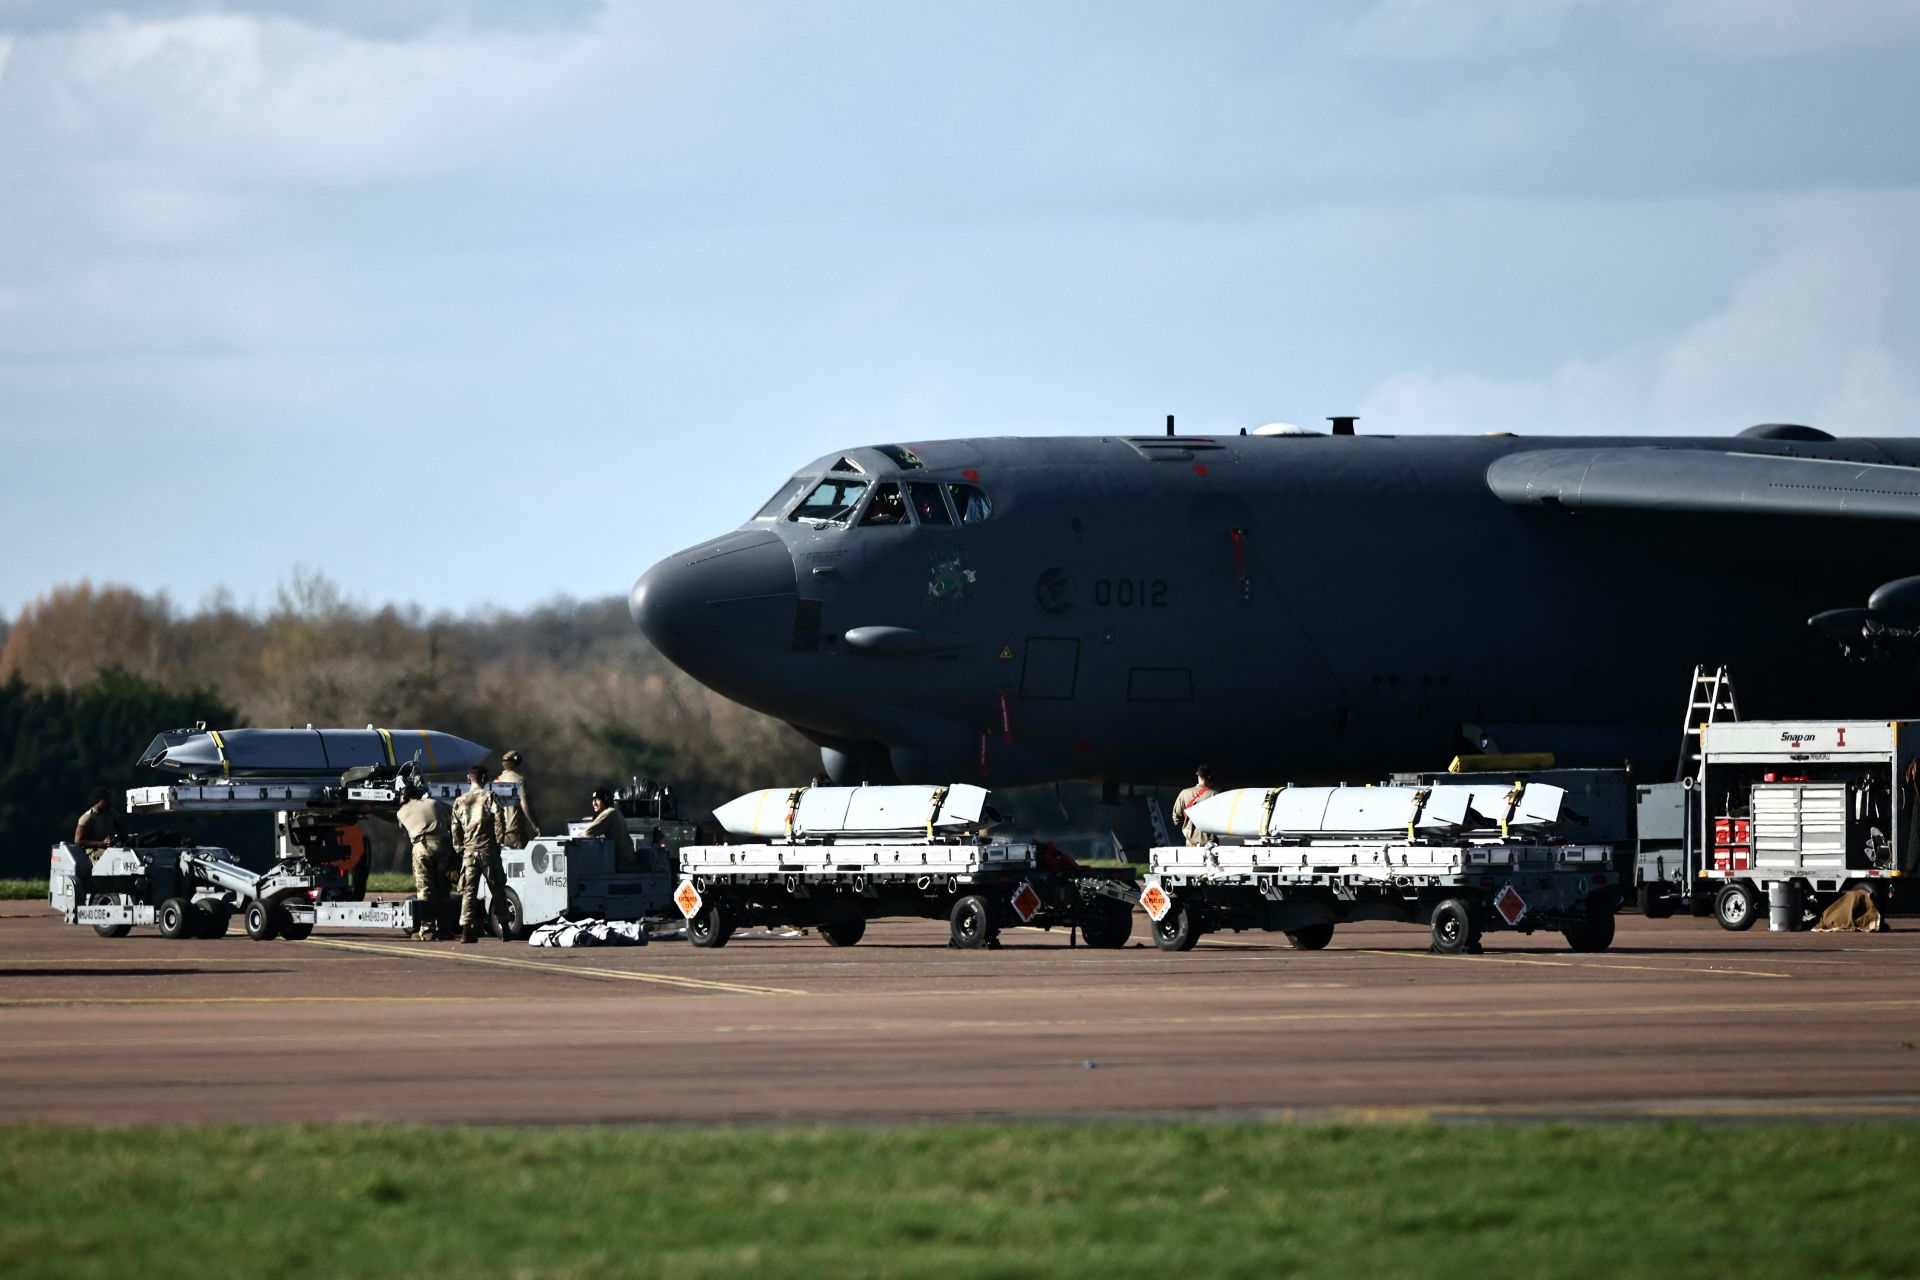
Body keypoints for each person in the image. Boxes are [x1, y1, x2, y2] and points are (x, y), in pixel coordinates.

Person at [451, 766, 507, 944]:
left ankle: (466, 930)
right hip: (488, 850)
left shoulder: (460, 801)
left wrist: (460, 847)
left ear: (469, 779)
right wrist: (499, 841)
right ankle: (505, 928)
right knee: (497, 889)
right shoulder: (489, 797)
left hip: (469, 853)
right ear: (484, 778)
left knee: (468, 892)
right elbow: (499, 818)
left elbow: (455, 828)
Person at [395, 779, 454, 940]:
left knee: (425, 890)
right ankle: (445, 930)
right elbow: (453, 813)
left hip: (422, 847)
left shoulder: (402, 811)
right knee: (443, 889)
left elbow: (400, 821)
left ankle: (427, 931)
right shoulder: (435, 803)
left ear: (405, 797)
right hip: (443, 846)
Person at [580, 786, 639, 872]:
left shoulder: (608, 813)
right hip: (628, 861)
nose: (594, 803)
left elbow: (587, 834)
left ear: (606, 800)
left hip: (621, 865)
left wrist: (575, 837)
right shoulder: (615, 812)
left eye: (597, 799)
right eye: (593, 800)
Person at [497, 750, 542, 849]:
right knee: (520, 862)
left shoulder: (496, 782)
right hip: (515, 832)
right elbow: (525, 806)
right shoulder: (519, 780)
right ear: (517, 764)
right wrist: (536, 826)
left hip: (500, 833)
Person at [1171, 765, 1215, 847]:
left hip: (1190, 844)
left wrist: (1187, 827)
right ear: (1210, 777)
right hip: (1210, 845)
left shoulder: (1184, 793)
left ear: (1198, 776)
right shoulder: (1214, 795)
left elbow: (1176, 818)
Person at [73, 789, 119, 864]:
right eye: (106, 799)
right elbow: (78, 841)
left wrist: (115, 841)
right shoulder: (87, 817)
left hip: (111, 847)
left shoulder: (112, 814)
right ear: (98, 800)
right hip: (93, 851)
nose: (109, 802)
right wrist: (101, 843)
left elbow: (123, 832)